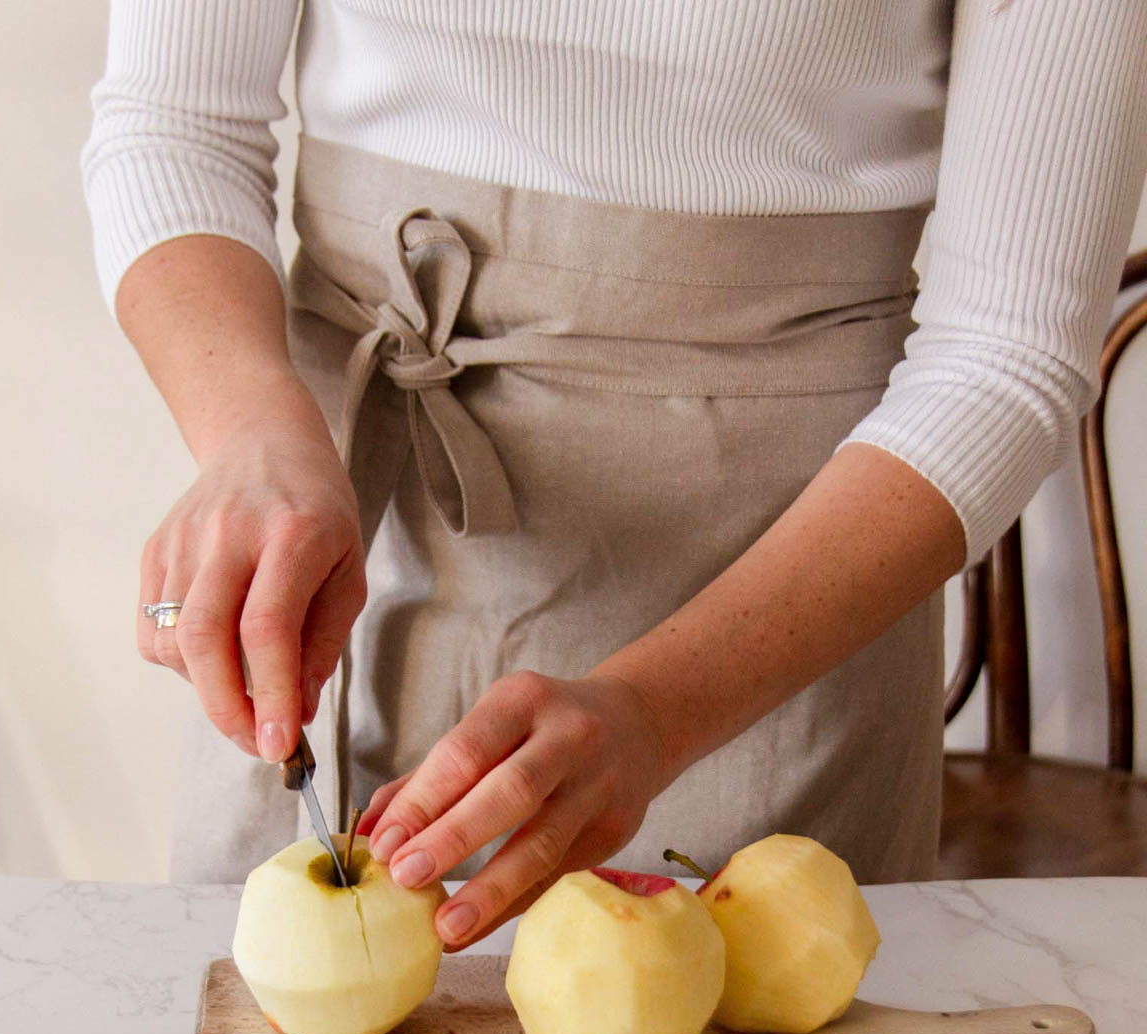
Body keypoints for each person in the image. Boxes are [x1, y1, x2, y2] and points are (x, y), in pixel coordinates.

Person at [83, 0, 1147, 947]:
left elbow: (1008, 354)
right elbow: (174, 125)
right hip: (339, 515)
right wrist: (252, 434)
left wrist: (660, 711)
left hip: (770, 602)